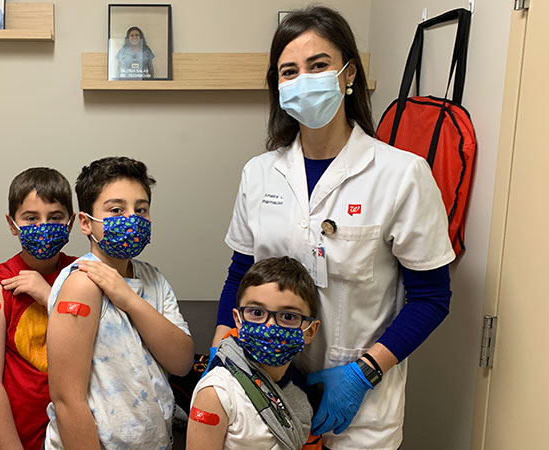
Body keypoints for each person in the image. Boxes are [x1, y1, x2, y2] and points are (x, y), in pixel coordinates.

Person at [212, 6, 455, 450]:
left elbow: (431, 297)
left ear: (349, 74)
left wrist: (364, 373)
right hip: (266, 391)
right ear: (278, 86)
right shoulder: (259, 173)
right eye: (289, 71)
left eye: (318, 65)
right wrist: (220, 349)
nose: (303, 79)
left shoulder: (401, 174)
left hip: (362, 407)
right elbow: (239, 272)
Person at [43, 156, 193, 449]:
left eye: (141, 209)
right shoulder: (83, 283)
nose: (131, 219)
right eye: (116, 210)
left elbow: (181, 361)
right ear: (86, 223)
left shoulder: (153, 278)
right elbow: (67, 400)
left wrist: (128, 299)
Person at [0, 167, 77, 450]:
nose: (43, 226)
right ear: (12, 224)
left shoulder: (82, 275)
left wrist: (50, 296)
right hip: (6, 437)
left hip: (67, 435)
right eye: (31, 218)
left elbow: (104, 345)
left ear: (70, 223)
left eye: (55, 217)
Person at [189, 257, 321, 450]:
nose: (270, 326)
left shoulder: (302, 394)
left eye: (288, 316)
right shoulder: (218, 393)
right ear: (238, 319)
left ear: (310, 331)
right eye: (257, 313)